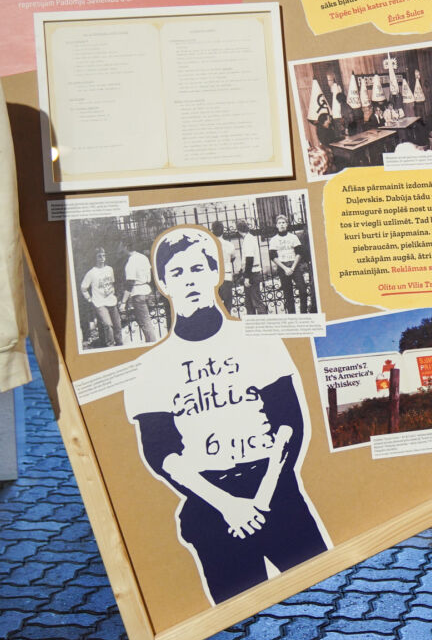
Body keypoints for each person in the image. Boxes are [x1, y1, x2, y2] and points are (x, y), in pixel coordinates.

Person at [122, 227, 329, 604]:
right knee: (235, 618)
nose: (189, 280)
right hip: (210, 509)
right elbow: (161, 452)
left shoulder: (259, 341)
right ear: (164, 284)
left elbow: (289, 425)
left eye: (198, 268)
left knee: (328, 598)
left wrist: (261, 499)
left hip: (278, 495)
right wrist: (228, 505)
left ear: (216, 272)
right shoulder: (148, 368)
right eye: (178, 273)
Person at [80, 248, 122, 349]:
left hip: (111, 301)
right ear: (95, 258)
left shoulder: (109, 269)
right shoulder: (91, 273)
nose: (102, 258)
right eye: (99, 256)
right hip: (99, 303)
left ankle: (120, 345)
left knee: (117, 325)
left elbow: (112, 283)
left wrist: (112, 291)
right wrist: (89, 299)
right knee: (108, 325)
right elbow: (83, 288)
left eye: (103, 255)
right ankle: (110, 346)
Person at [124, 243, 159, 343]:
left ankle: (152, 344)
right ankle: (151, 341)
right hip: (147, 291)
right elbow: (150, 276)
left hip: (138, 293)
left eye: (121, 246)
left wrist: (123, 302)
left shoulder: (131, 261)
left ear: (126, 247)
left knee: (145, 323)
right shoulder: (143, 257)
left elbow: (130, 282)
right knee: (147, 322)